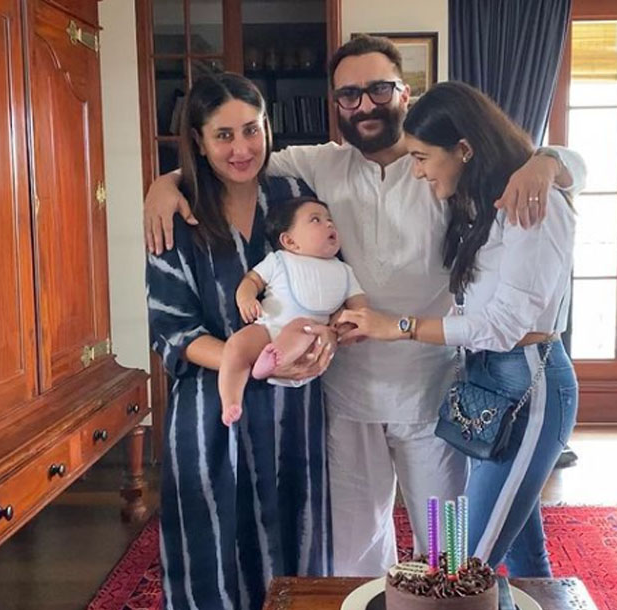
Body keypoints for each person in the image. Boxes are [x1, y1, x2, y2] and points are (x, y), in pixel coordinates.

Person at [144, 35, 585, 577]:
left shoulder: (445, 169)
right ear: (336, 104)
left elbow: (564, 171)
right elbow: (237, 157)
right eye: (348, 95)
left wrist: (548, 161)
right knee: (353, 555)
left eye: (379, 89)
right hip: (347, 393)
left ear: (405, 92)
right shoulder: (320, 165)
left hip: (432, 393)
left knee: (447, 549)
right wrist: (165, 183)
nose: (365, 105)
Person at [336, 81, 578, 576]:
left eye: (422, 157)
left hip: (528, 385)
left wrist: (399, 326)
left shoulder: (534, 202)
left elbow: (502, 326)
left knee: (462, 563)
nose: (417, 171)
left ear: (464, 149)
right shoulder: (483, 202)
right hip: (488, 381)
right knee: (523, 552)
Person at [146, 73, 335, 610]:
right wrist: (243, 358)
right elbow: (171, 327)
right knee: (212, 548)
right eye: (223, 135)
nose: (242, 148)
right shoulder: (176, 212)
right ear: (199, 141)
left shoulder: (294, 195)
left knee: (297, 537)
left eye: (252, 130)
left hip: (293, 404)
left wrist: (323, 340)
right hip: (210, 407)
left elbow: (329, 282)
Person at [219, 196, 366, 426]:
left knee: (302, 328)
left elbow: (360, 309)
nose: (329, 224)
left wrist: (346, 325)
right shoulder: (279, 260)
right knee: (236, 346)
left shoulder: (344, 271)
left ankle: (272, 361)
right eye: (316, 220)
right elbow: (252, 280)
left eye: (330, 220)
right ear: (289, 241)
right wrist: (245, 298)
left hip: (308, 338)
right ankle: (231, 401)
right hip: (268, 327)